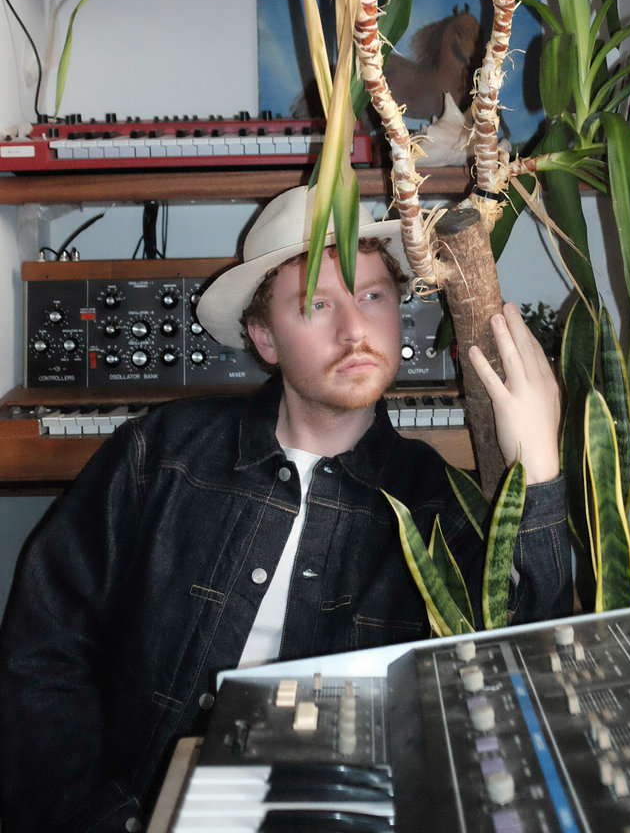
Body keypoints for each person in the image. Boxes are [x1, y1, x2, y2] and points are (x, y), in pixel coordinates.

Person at [0, 185, 572, 833]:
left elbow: (524, 682)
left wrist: (540, 469)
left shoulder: (437, 503)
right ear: (265, 338)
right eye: (316, 304)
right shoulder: (156, 456)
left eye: (372, 296)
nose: (354, 330)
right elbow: (42, 655)